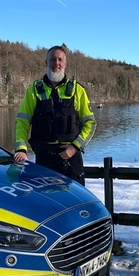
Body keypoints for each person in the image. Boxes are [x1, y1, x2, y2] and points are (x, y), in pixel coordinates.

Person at [13, 45, 96, 185]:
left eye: (60, 60)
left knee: (74, 198)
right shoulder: (34, 90)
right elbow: (22, 121)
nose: (56, 63)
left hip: (71, 159)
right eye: (52, 59)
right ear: (46, 62)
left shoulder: (77, 90)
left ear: (65, 63)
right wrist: (21, 149)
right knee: (45, 198)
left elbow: (90, 123)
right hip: (44, 160)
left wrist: (75, 147)